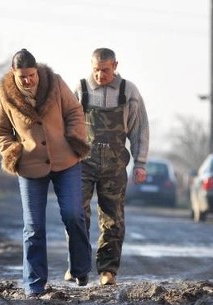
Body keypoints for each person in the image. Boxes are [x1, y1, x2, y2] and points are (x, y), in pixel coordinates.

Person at [0, 49, 92, 297]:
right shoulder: (5, 94)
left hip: (65, 159)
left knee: (73, 214)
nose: (28, 80)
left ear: (37, 71)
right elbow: (0, 129)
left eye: (32, 75)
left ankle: (80, 268)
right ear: (14, 73)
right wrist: (13, 151)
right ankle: (34, 283)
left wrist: (74, 137)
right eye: (22, 76)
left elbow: (75, 112)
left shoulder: (55, 83)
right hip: (30, 165)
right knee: (34, 226)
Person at [72, 48, 150, 286]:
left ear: (115, 66)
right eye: (96, 70)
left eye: (105, 70)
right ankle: (78, 266)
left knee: (112, 218)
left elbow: (139, 129)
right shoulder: (80, 89)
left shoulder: (128, 91)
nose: (100, 75)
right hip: (82, 163)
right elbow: (68, 125)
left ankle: (108, 270)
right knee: (76, 214)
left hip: (115, 165)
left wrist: (140, 163)